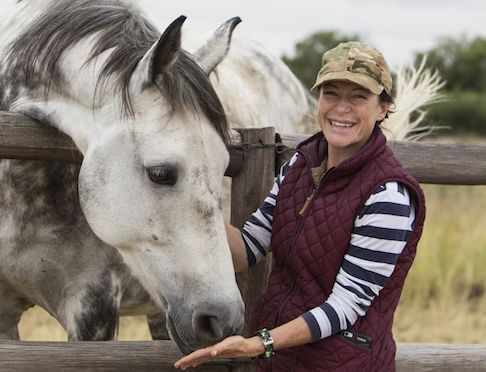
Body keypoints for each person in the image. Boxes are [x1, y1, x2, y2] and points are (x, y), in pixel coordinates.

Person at [174, 41, 426, 371]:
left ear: (382, 108)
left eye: (359, 96)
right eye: (331, 93)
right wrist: (194, 200)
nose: (341, 108)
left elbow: (345, 307)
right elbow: (247, 249)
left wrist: (259, 344)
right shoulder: (299, 165)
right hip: (280, 362)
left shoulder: (389, 195)